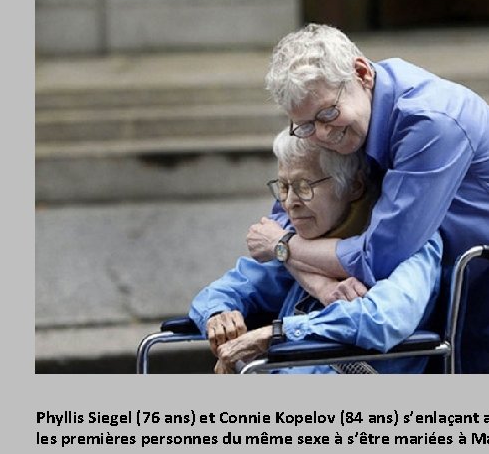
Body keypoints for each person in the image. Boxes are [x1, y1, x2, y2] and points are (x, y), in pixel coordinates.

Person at [246, 23, 489, 374]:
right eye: (305, 126)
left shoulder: (431, 120)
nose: (321, 134)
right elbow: (287, 220)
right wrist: (319, 281)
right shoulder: (339, 109)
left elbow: (380, 254)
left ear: (361, 73)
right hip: (468, 290)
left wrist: (285, 250)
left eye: (327, 114)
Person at [189, 128, 443, 374]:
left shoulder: (410, 239)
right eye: (284, 187)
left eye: (303, 186)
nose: (290, 203)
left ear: (354, 186)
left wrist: (277, 333)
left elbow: (385, 319)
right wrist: (219, 315)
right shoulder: (304, 238)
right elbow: (226, 289)